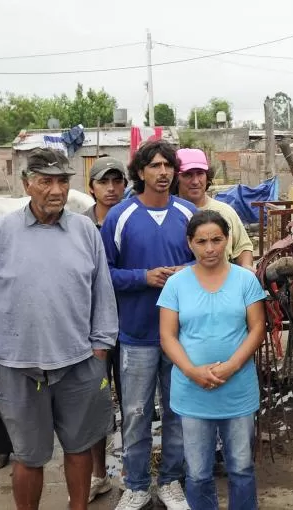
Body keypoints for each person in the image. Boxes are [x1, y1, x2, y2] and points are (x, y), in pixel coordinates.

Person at [0, 148, 119, 510]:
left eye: (62, 181)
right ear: (27, 185)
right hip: (19, 364)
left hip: (79, 360)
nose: (55, 190)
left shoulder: (85, 230)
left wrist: (101, 347)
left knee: (80, 446)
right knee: (28, 455)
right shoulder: (0, 231)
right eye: (45, 181)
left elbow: (103, 291)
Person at [101, 140, 195, 510]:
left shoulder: (188, 213)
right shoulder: (119, 216)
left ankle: (171, 482)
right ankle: (137, 485)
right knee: (136, 413)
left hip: (181, 335)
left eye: (168, 166)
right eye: (154, 166)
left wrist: (185, 271)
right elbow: (104, 274)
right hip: (136, 334)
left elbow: (208, 261)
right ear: (139, 172)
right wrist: (144, 277)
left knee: (177, 411)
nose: (163, 172)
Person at [159, 209, 267, 510]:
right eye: (202, 241)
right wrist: (192, 371)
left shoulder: (245, 280)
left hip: (237, 390)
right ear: (190, 243)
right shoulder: (176, 284)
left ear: (228, 240)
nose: (210, 248)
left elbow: (257, 328)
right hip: (192, 392)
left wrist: (232, 366)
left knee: (242, 467)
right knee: (197, 472)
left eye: (217, 240)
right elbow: (168, 336)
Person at [83, 155, 128, 503]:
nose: (111, 189)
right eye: (103, 182)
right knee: (95, 400)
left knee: (133, 400)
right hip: (91, 331)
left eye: (117, 182)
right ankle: (99, 474)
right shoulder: (77, 225)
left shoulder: (131, 220)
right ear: (92, 187)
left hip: (128, 327)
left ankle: (131, 471)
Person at [174, 148, 254, 268]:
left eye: (200, 174)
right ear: (175, 178)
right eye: (187, 175)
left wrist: (246, 270)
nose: (195, 181)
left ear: (207, 177)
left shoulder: (225, 212)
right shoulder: (169, 213)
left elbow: (243, 247)